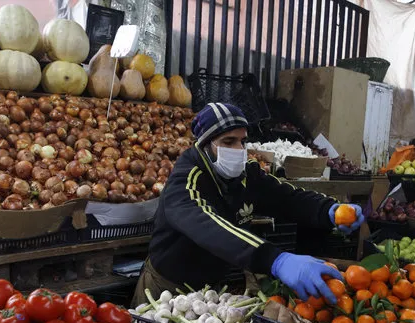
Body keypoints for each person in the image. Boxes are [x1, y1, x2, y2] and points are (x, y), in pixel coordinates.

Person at [132, 102, 364, 306]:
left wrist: (328, 210)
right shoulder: (185, 181)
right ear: (205, 145)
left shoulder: (246, 174)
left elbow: (285, 196)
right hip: (166, 290)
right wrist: (275, 260)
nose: (238, 150)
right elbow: (212, 228)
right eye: (228, 141)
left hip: (211, 290)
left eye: (242, 141)